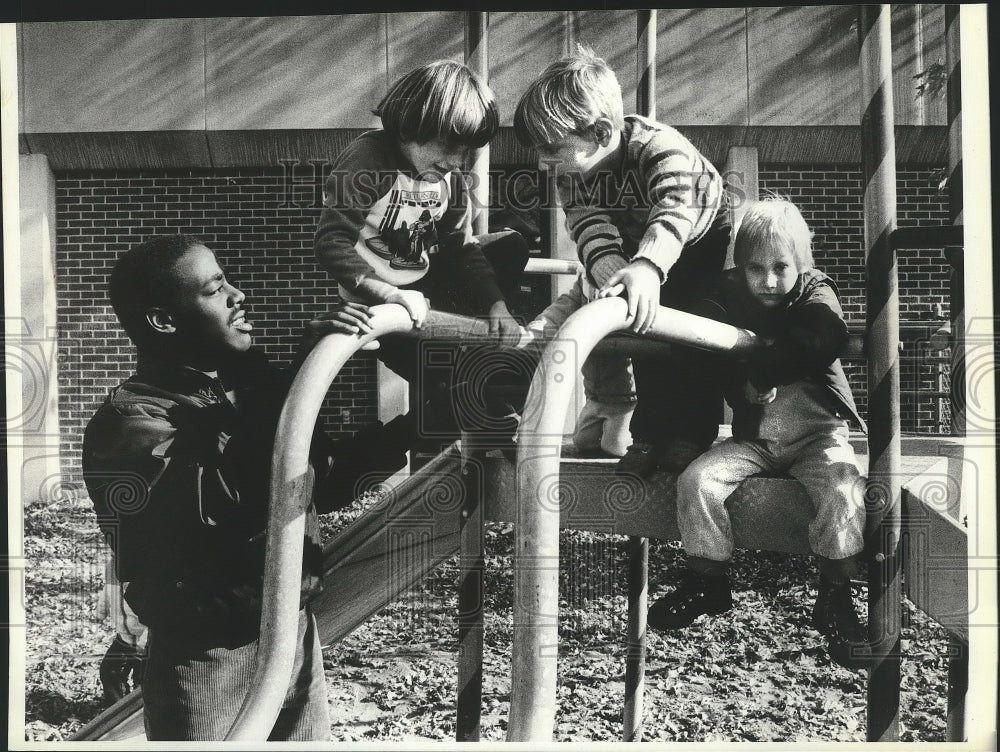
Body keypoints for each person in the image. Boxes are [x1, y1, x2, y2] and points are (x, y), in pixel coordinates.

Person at [82, 234, 416, 740]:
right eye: (216, 289)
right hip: (208, 659)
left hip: (292, 636)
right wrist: (297, 379)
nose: (239, 295)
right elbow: (228, 503)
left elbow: (314, 483)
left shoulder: (245, 388)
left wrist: (419, 429)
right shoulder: (131, 423)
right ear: (163, 320)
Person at [646, 200, 871, 670]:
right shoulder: (732, 292)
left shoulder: (815, 289)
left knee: (844, 487)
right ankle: (708, 579)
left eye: (780, 267)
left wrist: (761, 372)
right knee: (697, 480)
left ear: (801, 264)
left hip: (817, 435)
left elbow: (821, 335)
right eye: (755, 268)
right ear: (740, 267)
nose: (768, 280)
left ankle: (835, 592)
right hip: (756, 439)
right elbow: (700, 319)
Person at [513, 45, 730, 477]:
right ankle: (648, 432)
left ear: (600, 131)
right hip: (638, 244)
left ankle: (692, 431)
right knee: (641, 323)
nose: (542, 162)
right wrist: (610, 270)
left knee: (694, 329)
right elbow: (588, 225)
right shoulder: (570, 172)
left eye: (552, 147)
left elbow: (674, 208)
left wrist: (648, 267)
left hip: (700, 236)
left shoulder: (659, 147)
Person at [314, 59, 530, 454]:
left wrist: (497, 305)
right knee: (448, 389)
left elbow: (460, 249)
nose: (456, 162)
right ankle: (476, 418)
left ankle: (494, 410)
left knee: (510, 245)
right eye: (450, 147)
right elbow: (332, 242)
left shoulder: (450, 180)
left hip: (427, 286)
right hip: (379, 301)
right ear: (414, 124)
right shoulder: (369, 160)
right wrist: (389, 295)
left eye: (466, 153)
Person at [521, 270, 635, 457]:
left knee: (614, 446)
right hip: (595, 394)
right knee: (583, 441)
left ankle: (636, 433)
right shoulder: (586, 281)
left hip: (625, 398)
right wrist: (535, 330)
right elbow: (561, 309)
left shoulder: (627, 282)